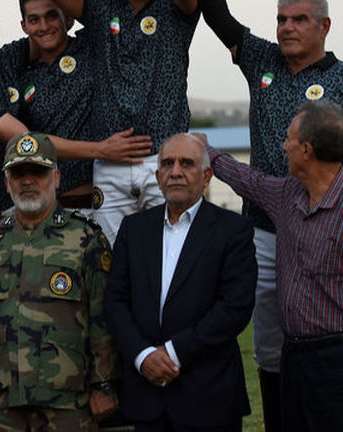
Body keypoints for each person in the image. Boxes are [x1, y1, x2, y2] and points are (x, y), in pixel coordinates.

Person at [165, 0, 343, 430]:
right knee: (269, 340)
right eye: (282, 19)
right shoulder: (261, 62)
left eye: (299, 20)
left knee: (328, 329)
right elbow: (217, 13)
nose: (287, 28)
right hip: (263, 230)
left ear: (324, 26)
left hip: (332, 228)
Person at [207, 101, 343, 432]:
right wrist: (208, 153)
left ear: (306, 150)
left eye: (288, 140)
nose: (283, 146)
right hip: (295, 363)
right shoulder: (288, 195)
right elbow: (250, 180)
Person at [30, 0, 200, 243]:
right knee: (112, 265)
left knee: (168, 264)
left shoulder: (177, 9)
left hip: (164, 162)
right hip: (109, 167)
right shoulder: (102, 10)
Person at [0, 132, 118, 431]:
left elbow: (103, 320)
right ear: (7, 182)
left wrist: (103, 385)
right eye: (18, 174)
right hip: (3, 399)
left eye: (38, 172)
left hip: (68, 399)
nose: (27, 181)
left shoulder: (85, 239)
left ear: (56, 178)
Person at [0, 0, 150, 221]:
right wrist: (102, 150)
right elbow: (28, 141)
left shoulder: (8, 60)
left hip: (9, 212)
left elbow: (51, 31)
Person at [105, 133, 256, 432]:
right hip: (147, 396)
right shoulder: (134, 229)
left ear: (206, 176)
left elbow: (235, 307)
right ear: (158, 176)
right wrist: (144, 355)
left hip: (208, 395)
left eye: (187, 163)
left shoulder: (233, 230)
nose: (175, 171)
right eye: (167, 164)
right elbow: (115, 301)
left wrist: (173, 353)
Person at [0, 0, 152, 209]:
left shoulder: (92, 46)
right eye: (34, 20)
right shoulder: (21, 74)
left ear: (66, 16)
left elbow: (110, 4)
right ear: (24, 26)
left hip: (109, 198)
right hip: (52, 207)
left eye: (51, 16)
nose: (44, 26)